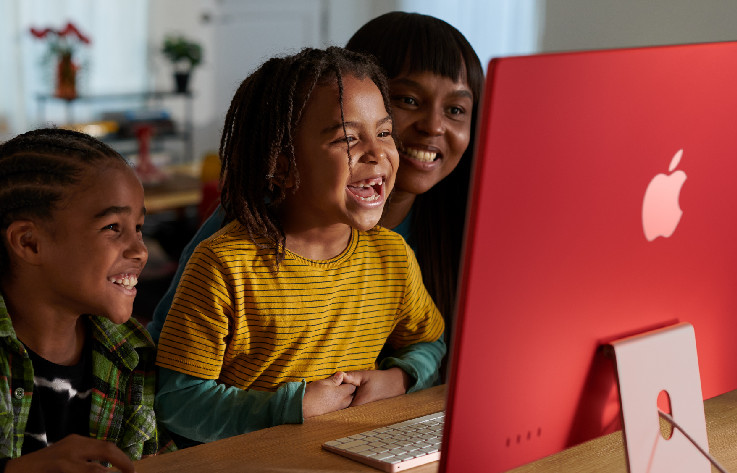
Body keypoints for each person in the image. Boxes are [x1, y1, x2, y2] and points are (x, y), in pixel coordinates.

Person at [154, 47, 446, 445]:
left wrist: (399, 378)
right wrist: (289, 408)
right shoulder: (224, 265)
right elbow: (177, 402)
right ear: (282, 163)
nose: (377, 154)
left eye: (384, 132)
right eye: (347, 138)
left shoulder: (392, 258)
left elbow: (429, 341)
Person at [145, 11, 484, 346]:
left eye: (455, 110)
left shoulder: (453, 227)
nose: (434, 126)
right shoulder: (251, 225)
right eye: (408, 100)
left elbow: (432, 346)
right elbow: (170, 350)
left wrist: (402, 374)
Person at [0, 128, 174, 472]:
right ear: (29, 242)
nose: (139, 250)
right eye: (112, 227)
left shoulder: (131, 353)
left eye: (138, 227)